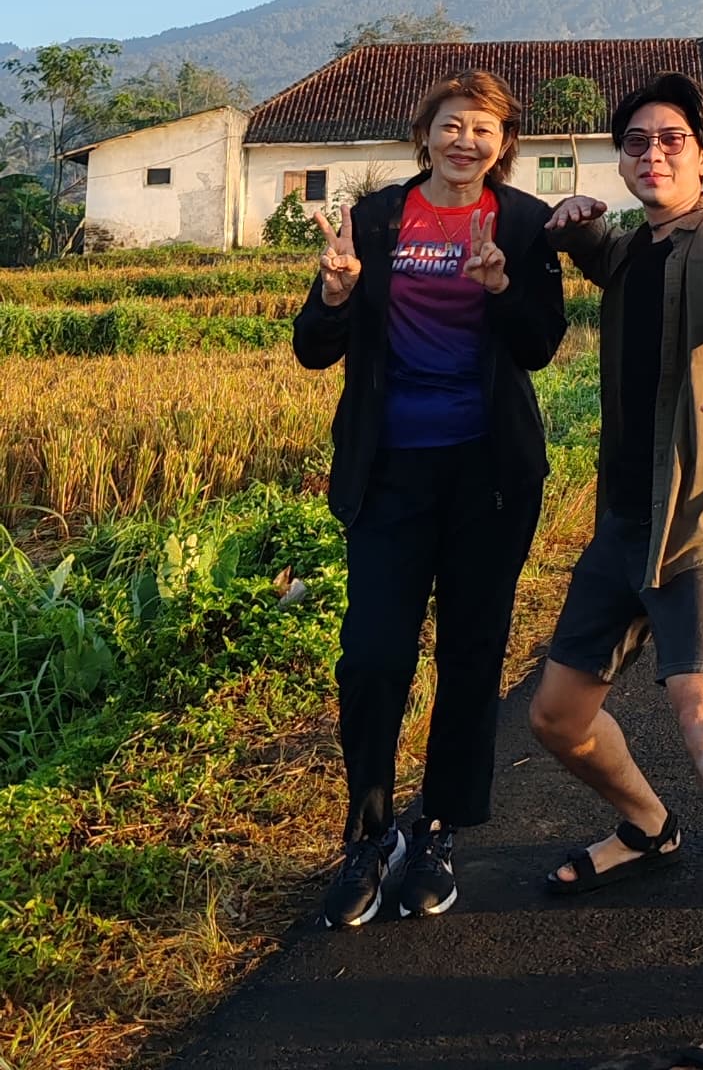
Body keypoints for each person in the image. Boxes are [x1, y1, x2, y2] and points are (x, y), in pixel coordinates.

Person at [532, 73, 703, 1070]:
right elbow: (608, 257)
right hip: (622, 525)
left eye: (672, 140)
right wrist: (573, 227)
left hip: (701, 522)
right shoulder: (635, 245)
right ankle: (649, 826)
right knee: (555, 719)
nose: (653, 154)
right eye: (636, 142)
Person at [292, 69, 566, 929]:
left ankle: (439, 828)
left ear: (504, 143)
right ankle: (371, 836)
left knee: (471, 653)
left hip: (490, 475)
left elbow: (542, 343)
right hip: (389, 472)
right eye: (452, 125)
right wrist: (335, 294)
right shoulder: (376, 221)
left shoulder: (522, 224)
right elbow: (313, 348)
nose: (465, 141)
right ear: (424, 134)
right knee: (373, 656)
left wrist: (501, 288)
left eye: (484, 128)